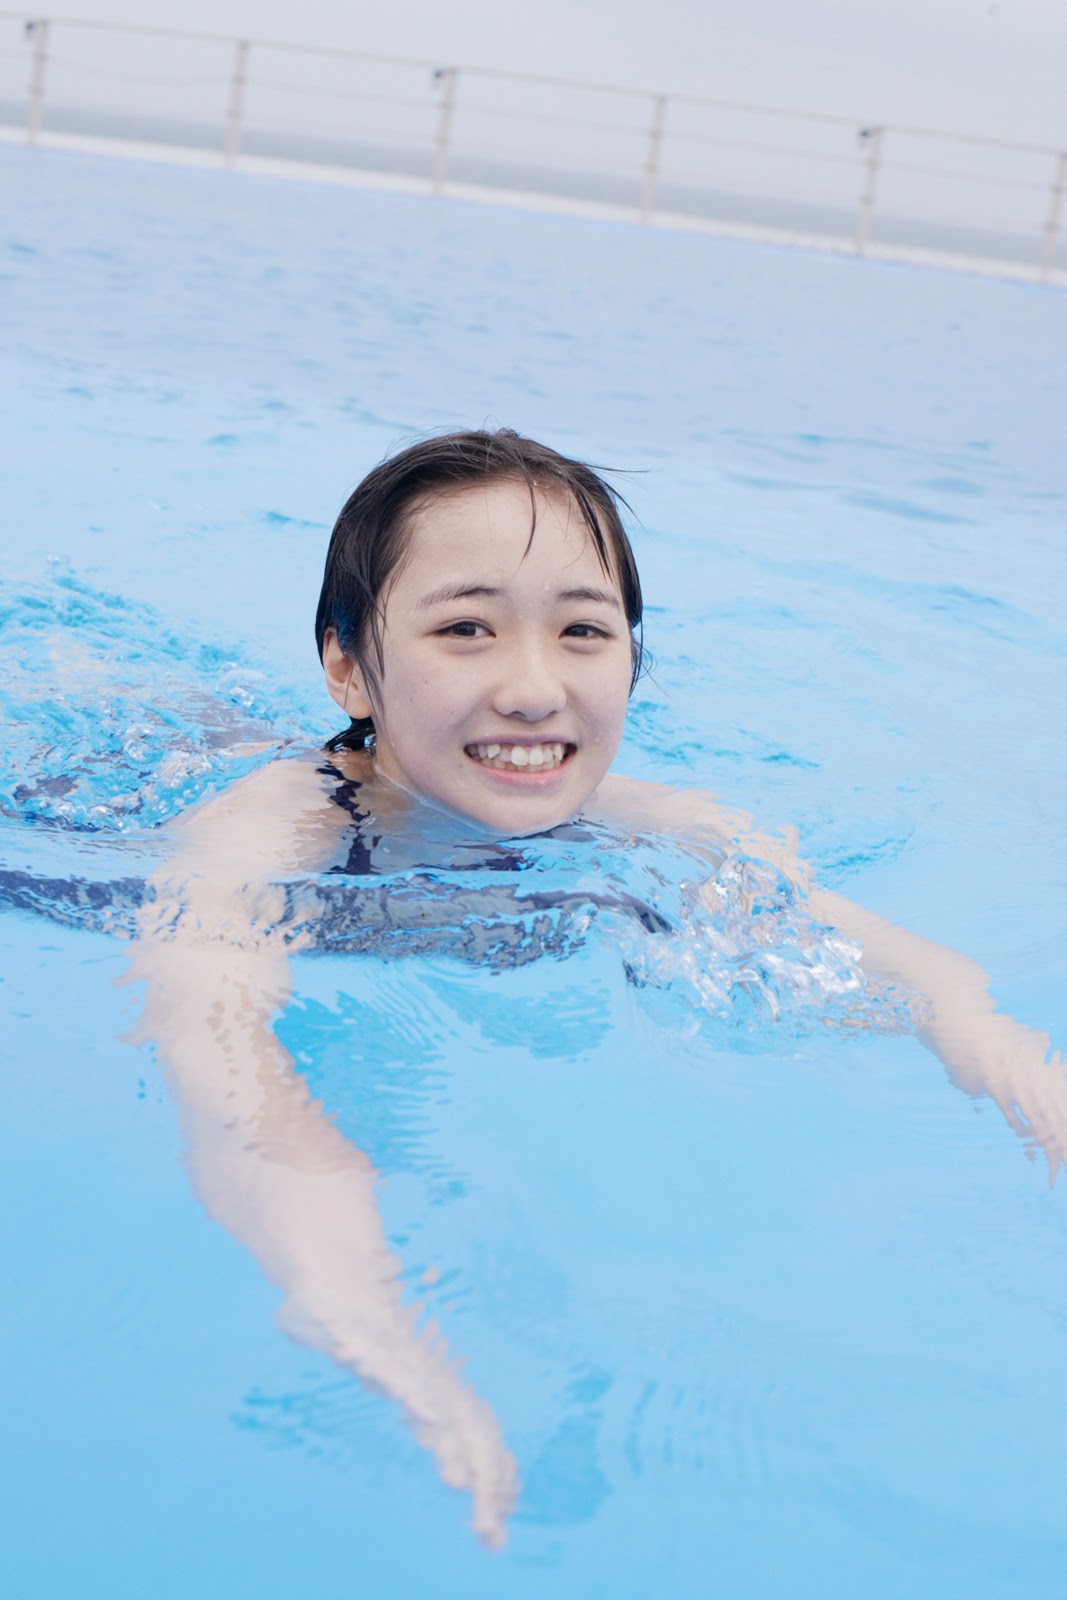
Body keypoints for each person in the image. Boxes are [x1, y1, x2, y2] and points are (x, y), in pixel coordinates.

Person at [128, 428, 1066, 1546]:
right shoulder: (257, 839)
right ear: (347, 667)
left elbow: (906, 966)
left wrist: (995, 1054)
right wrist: (350, 1292)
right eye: (464, 628)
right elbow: (218, 1048)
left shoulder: (655, 822)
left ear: (631, 658)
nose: (534, 691)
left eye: (581, 630)